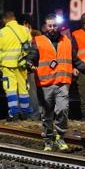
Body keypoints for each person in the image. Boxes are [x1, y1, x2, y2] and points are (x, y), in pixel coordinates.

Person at [28, 18, 73, 152]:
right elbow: (32, 56)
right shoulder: (39, 40)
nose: (52, 28)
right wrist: (29, 64)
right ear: (45, 27)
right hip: (45, 83)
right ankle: (48, 139)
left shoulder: (66, 41)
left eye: (55, 25)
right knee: (47, 114)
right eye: (50, 26)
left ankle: (59, 136)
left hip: (62, 82)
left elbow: (75, 58)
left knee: (63, 109)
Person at [0, 10, 34, 121]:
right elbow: (31, 46)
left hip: (7, 66)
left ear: (4, 19)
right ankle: (25, 114)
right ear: (14, 18)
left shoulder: (1, 33)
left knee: (10, 89)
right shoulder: (25, 29)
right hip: (22, 65)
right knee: (23, 89)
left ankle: (14, 113)